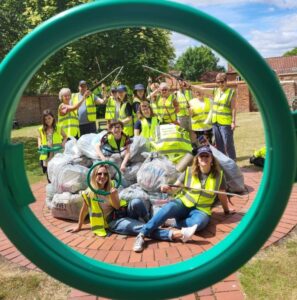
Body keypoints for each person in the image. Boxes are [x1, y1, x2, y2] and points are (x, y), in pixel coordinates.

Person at [133, 145, 234, 252]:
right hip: (183, 203)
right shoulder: (189, 171)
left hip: (201, 210)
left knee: (198, 225)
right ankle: (142, 234)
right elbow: (174, 189)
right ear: (197, 160)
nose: (204, 158)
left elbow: (222, 195)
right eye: (201, 156)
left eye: (207, 156)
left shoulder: (219, 175)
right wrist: (167, 189)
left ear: (211, 159)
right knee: (168, 208)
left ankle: (171, 222)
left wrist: (226, 211)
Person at [68, 164, 150, 237]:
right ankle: (155, 229)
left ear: (108, 176)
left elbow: (117, 206)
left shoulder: (113, 185)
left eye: (105, 174)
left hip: (121, 212)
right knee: (139, 227)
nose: (103, 176)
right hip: (112, 221)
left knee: (137, 202)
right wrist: (79, 226)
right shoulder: (89, 192)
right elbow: (84, 209)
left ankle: (150, 221)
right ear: (94, 176)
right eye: (99, 174)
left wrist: (113, 195)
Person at [192, 73, 237, 160]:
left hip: (225, 123)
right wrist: (190, 86)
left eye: (222, 82)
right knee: (219, 144)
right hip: (215, 122)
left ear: (226, 81)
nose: (220, 84)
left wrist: (233, 121)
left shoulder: (231, 92)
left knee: (228, 144)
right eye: (218, 82)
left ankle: (232, 162)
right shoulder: (216, 91)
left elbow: (233, 108)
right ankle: (222, 162)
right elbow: (202, 89)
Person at [37, 109, 67, 182]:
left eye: (49, 118)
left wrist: (63, 143)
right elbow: (39, 137)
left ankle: (59, 184)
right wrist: (39, 144)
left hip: (57, 152)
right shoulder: (41, 129)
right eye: (45, 119)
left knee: (57, 169)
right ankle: (50, 185)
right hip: (46, 152)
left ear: (53, 118)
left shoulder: (58, 128)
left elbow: (65, 136)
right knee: (48, 170)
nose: (48, 120)